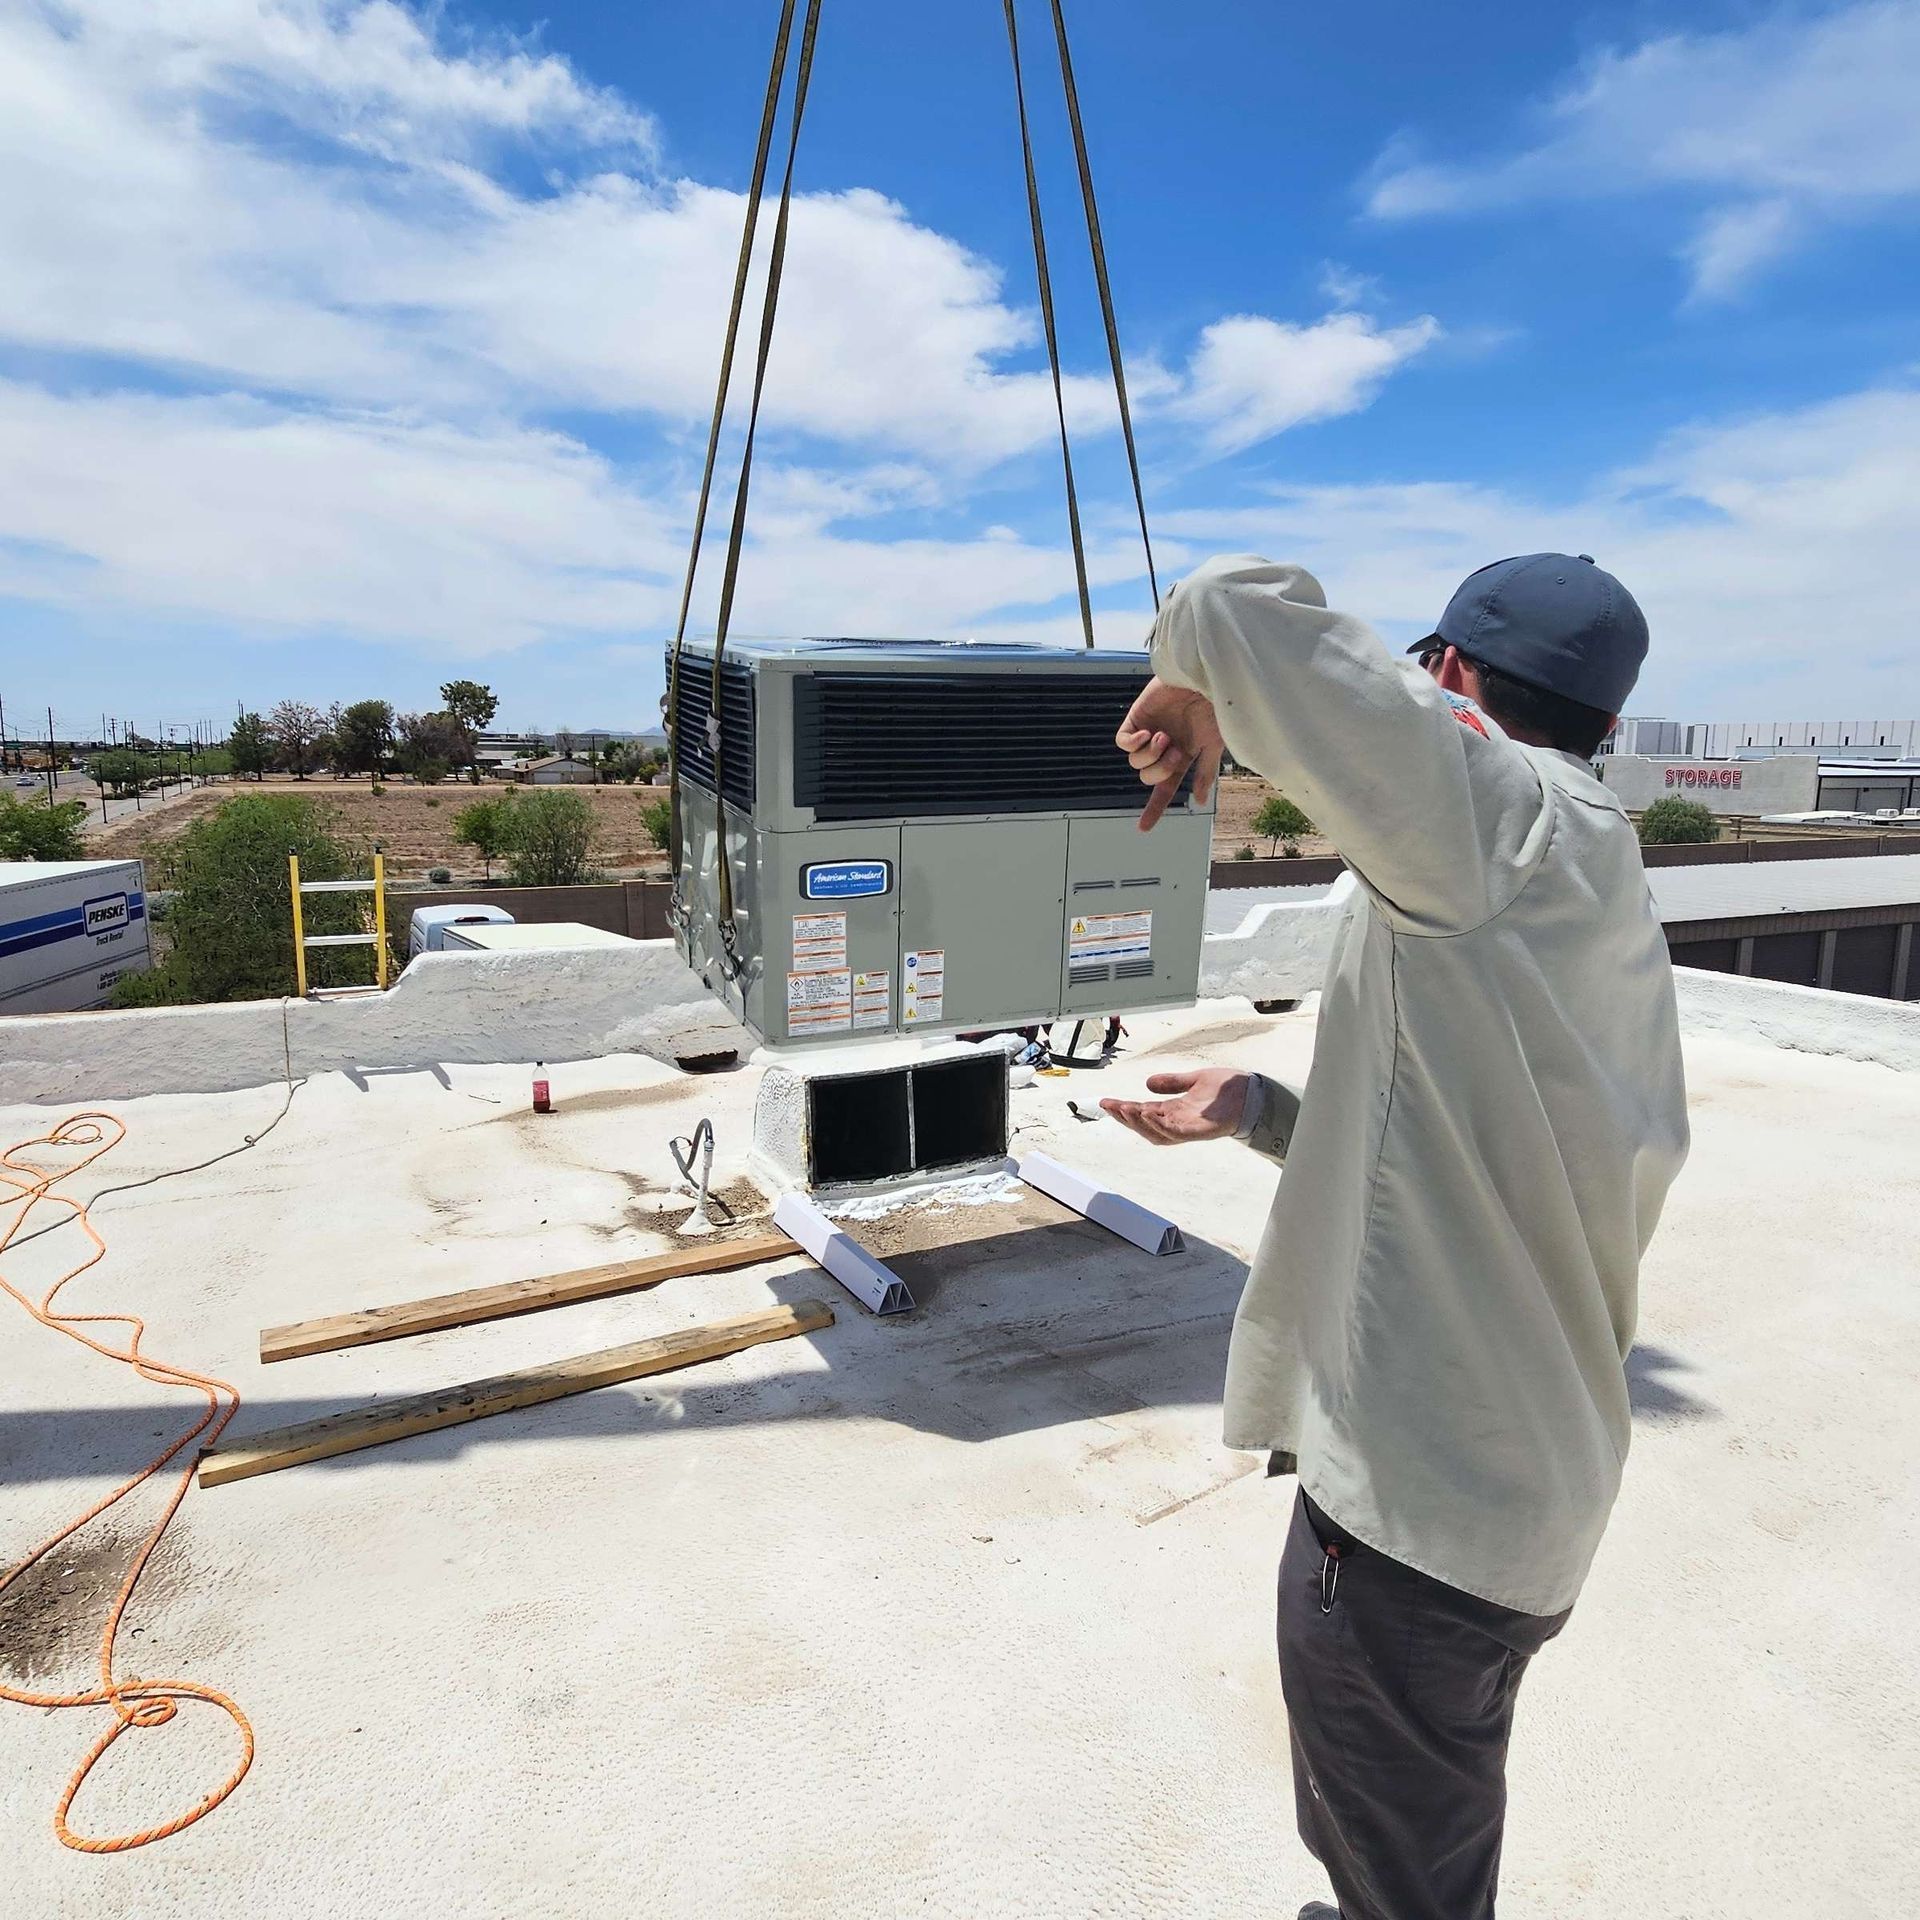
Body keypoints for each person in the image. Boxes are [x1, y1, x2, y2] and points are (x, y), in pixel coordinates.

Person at [1102, 554, 1690, 1920]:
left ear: (1457, 682)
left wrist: (1193, 675)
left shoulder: (1499, 823)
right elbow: (1485, 1154)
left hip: (1421, 1528)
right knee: (1406, 1839)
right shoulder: (1584, 868)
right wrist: (1264, 1108)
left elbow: (1236, 603)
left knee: (1406, 1878)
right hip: (1513, 1495)